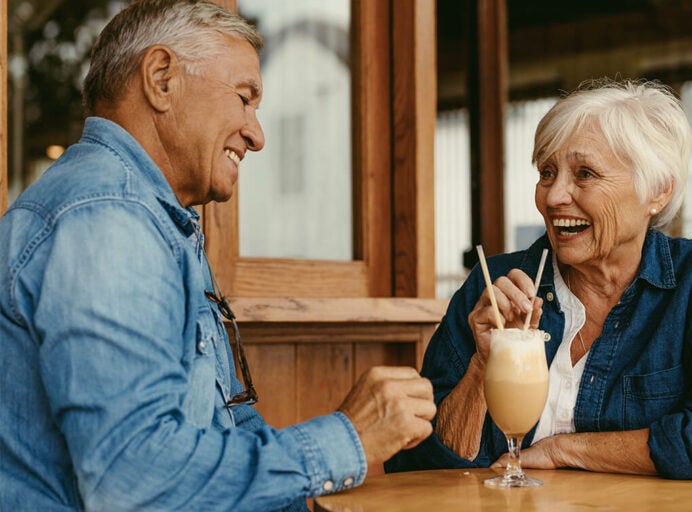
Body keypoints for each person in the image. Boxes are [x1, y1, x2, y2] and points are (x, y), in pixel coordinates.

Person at [0, 1, 435, 510]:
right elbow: (135, 481)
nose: (257, 134)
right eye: (244, 98)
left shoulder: (155, 219)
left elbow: (221, 430)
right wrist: (347, 440)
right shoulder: (109, 219)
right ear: (161, 79)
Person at [385, 78, 692, 481]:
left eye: (585, 174)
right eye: (547, 173)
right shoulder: (496, 286)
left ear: (658, 191)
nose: (554, 197)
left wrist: (564, 450)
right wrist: (481, 365)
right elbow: (417, 466)